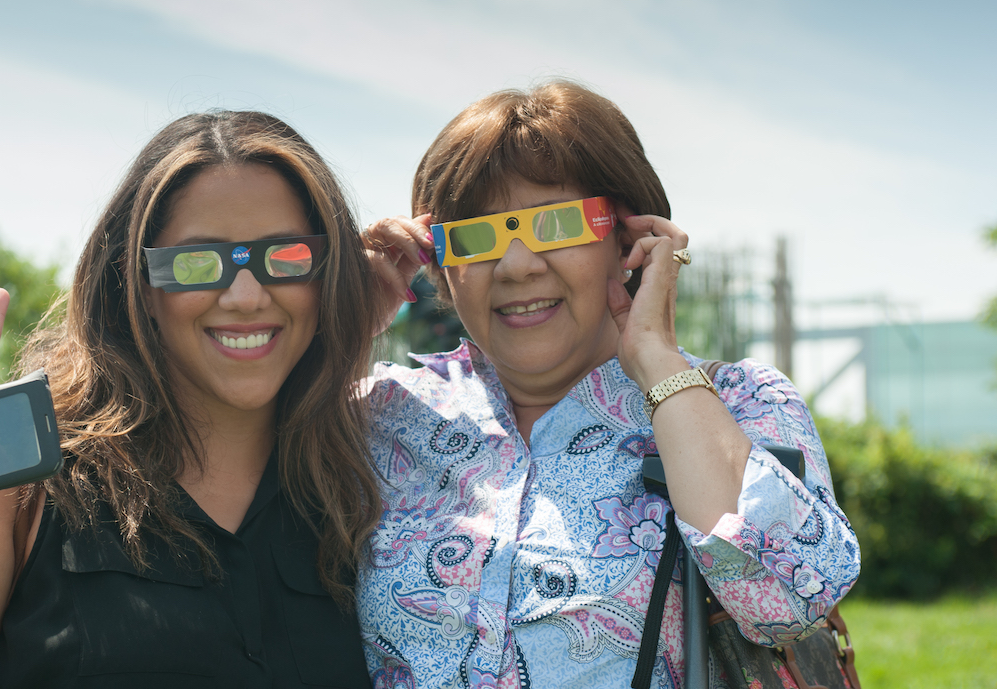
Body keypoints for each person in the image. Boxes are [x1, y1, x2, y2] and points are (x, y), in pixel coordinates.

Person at [0, 111, 383, 689]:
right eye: (198, 263)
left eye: (286, 257)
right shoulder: (24, 481)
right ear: (138, 284)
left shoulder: (376, 481)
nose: (246, 296)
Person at [360, 80, 861, 688]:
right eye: (476, 236)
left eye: (555, 226)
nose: (517, 265)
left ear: (626, 236)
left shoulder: (740, 402)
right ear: (439, 260)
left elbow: (788, 598)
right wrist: (346, 324)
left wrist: (657, 361)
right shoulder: (376, 415)